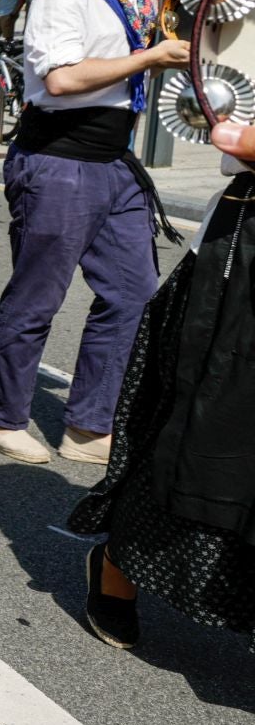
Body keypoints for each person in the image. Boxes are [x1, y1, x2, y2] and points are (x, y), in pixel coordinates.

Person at [0, 0, 196, 467]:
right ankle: (3, 415)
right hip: (58, 159)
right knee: (38, 297)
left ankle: (89, 423)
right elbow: (61, 78)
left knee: (132, 293)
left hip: (113, 162)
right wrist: (148, 57)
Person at [65, 111, 255, 650]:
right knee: (200, 432)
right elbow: (229, 133)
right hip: (240, 268)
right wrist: (242, 138)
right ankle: (120, 565)